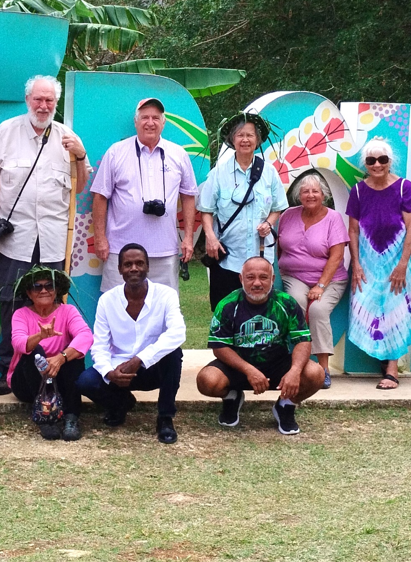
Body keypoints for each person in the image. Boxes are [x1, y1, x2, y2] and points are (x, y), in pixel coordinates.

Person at [0, 75, 88, 395]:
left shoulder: (68, 138)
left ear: (56, 103)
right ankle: (9, 371)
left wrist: (80, 156)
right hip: (15, 238)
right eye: (38, 100)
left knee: (51, 305)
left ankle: (51, 369)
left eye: (49, 101)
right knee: (12, 303)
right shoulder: (6, 132)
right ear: (27, 100)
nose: (43, 106)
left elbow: (80, 187)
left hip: (53, 238)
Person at [197, 256, 323, 435]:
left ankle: (285, 406)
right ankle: (232, 398)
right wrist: (249, 371)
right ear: (241, 279)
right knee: (207, 380)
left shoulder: (286, 303)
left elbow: (302, 340)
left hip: (277, 364)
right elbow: (219, 347)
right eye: (250, 277)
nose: (257, 283)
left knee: (315, 373)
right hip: (239, 367)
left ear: (272, 279)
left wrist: (294, 371)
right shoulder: (227, 305)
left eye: (263, 277)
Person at [77, 244, 186, 444]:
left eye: (139, 263)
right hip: (120, 371)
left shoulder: (166, 295)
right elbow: (99, 345)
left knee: (173, 354)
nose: (133, 268)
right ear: (119, 269)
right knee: (86, 382)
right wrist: (109, 372)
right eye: (127, 264)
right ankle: (120, 404)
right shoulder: (107, 300)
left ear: (148, 267)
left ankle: (165, 418)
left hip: (151, 367)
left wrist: (140, 359)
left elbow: (178, 333)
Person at [91, 97, 198, 291]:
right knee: (118, 307)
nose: (150, 123)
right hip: (120, 249)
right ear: (136, 122)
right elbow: (100, 196)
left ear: (163, 123)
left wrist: (188, 238)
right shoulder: (116, 152)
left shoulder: (178, 154)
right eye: (145, 117)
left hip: (164, 250)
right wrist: (100, 239)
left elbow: (189, 196)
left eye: (156, 118)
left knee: (163, 309)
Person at [344, 138, 411, 391]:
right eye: (371, 160)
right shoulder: (357, 191)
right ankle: (378, 356)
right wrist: (356, 264)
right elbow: (353, 231)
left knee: (395, 309)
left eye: (382, 160)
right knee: (368, 307)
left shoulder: (403, 187)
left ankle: (391, 368)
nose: (377, 164)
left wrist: (402, 265)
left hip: (400, 260)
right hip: (367, 261)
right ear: (365, 164)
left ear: (390, 162)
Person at [197, 113, 286, 310]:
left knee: (260, 310)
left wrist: (269, 223)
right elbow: (206, 210)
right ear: (231, 140)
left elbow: (278, 207)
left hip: (260, 257)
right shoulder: (219, 173)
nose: (245, 140)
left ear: (258, 140)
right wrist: (210, 237)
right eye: (240, 135)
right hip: (228, 257)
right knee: (226, 311)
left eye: (250, 135)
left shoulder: (269, 173)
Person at [275, 170, 350, 388]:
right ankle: (298, 365)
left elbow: (337, 256)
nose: (310, 195)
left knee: (317, 309)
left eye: (315, 191)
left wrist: (320, 285)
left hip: (329, 279)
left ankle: (324, 368)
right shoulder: (288, 215)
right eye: (305, 191)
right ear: (299, 195)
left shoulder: (333, 218)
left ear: (323, 195)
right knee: (296, 305)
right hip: (294, 276)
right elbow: (279, 248)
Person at [8, 268, 92, 441]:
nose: (44, 290)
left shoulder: (68, 311)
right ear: (29, 293)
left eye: (49, 285)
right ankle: (45, 418)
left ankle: (71, 417)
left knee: (74, 353)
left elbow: (86, 336)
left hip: (59, 381)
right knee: (34, 351)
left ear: (56, 290)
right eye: (37, 286)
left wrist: (61, 358)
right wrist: (40, 336)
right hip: (28, 382)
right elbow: (18, 343)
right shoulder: (21, 314)